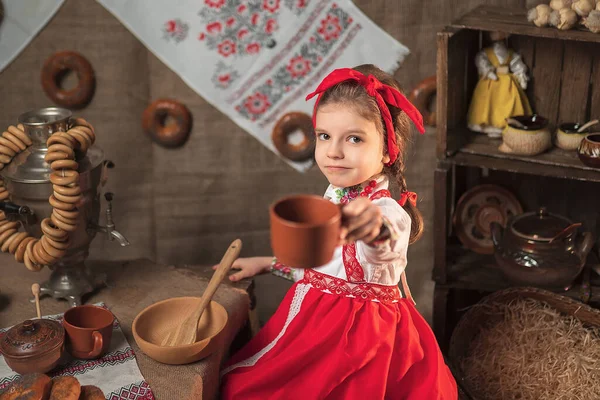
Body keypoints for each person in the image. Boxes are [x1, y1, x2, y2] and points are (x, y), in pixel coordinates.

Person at [218, 64, 458, 399]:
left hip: (361, 340)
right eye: (324, 136)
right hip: (313, 324)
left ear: (389, 150)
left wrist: (370, 227)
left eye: (355, 139)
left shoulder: (386, 211)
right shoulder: (332, 196)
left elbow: (383, 238)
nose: (333, 151)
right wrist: (268, 263)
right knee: (246, 386)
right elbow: (325, 268)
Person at [467, 31, 533, 138]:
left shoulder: (510, 54)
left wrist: (521, 77)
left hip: (508, 82)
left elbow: (517, 65)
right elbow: (481, 61)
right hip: (492, 81)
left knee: (509, 102)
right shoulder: (487, 52)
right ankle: (490, 126)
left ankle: (507, 126)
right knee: (489, 103)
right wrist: (487, 71)